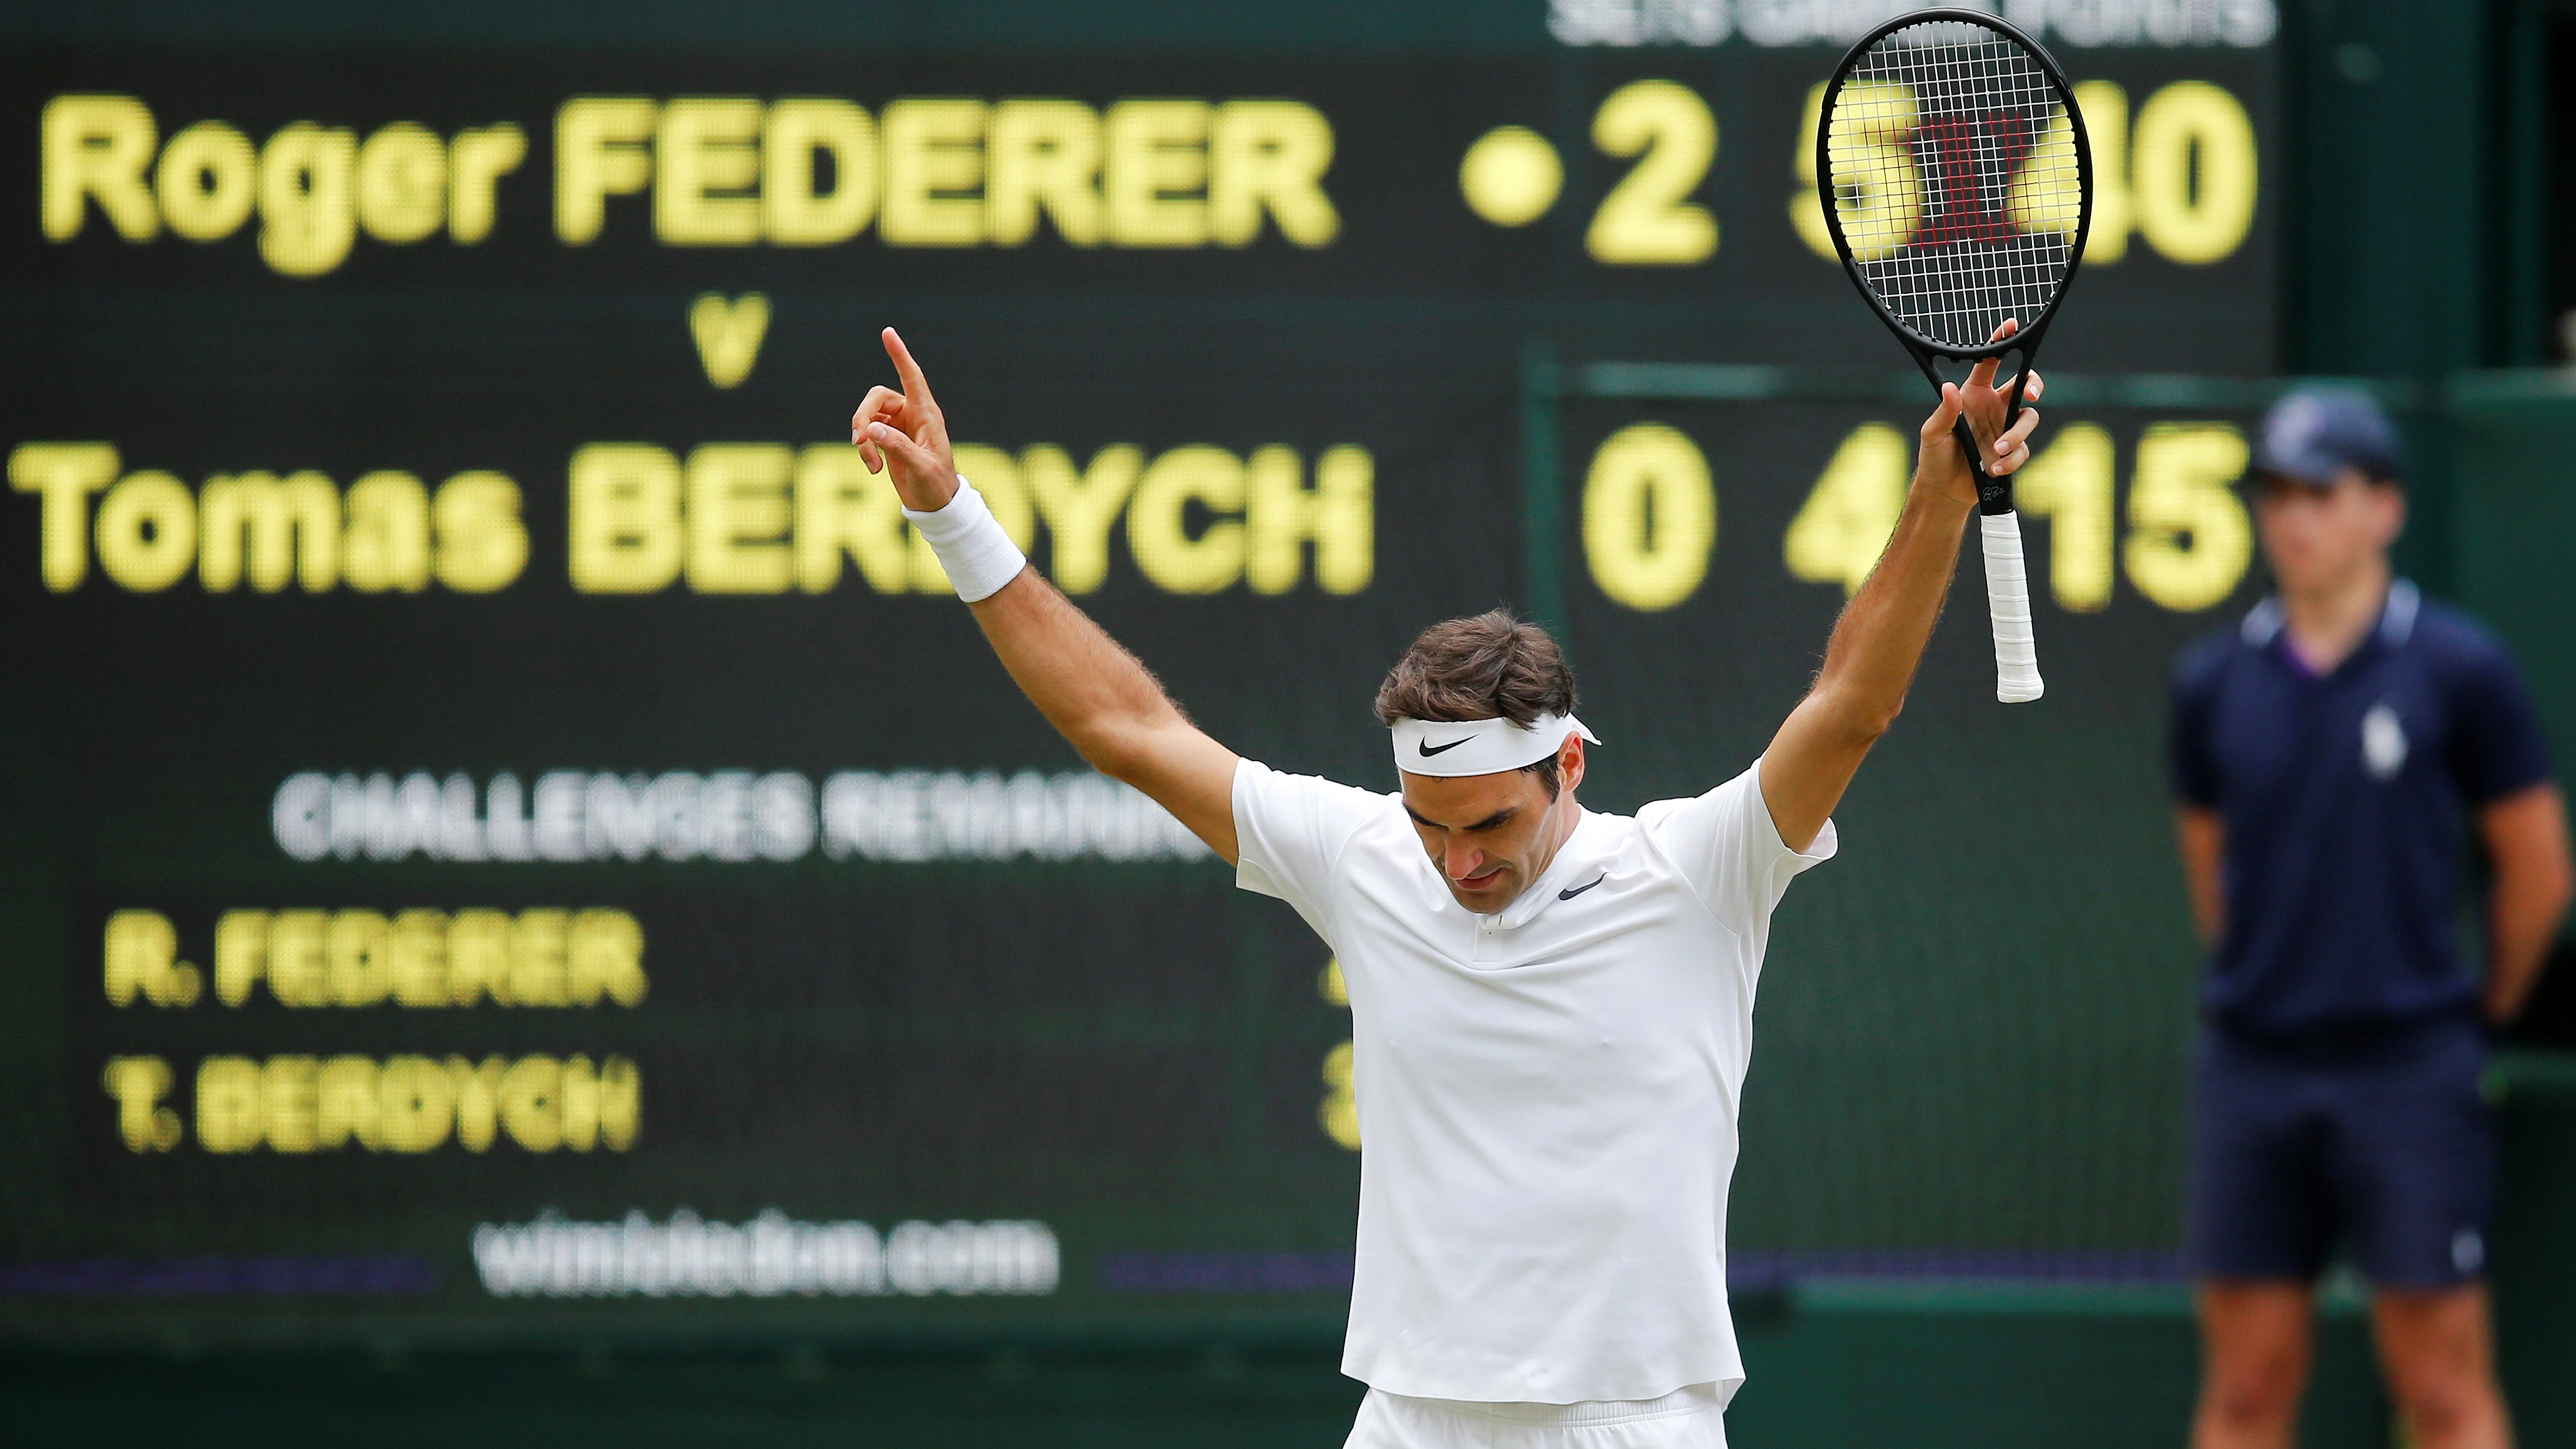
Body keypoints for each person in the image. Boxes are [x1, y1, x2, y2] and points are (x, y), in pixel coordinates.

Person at [851, 323, 2044, 1448]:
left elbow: (1853, 706)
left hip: (1637, 1419)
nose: (1458, 859)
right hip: (1414, 1417)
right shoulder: (1362, 857)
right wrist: (954, 516)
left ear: (1569, 764)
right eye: (1431, 827)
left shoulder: (1697, 869)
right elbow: (1125, 725)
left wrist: (1941, 493)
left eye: (1489, 823)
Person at [2171, 389, 2574, 1449]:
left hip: (2411, 1070)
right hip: (2252, 1067)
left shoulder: (2462, 670)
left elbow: (2537, 872)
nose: (2293, 516)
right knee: (2248, 1386)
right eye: (2276, 493)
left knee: (2441, 1386)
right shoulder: (2214, 685)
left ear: (2385, 508)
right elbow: (2213, 873)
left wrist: (2474, 1007)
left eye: (2322, 490)